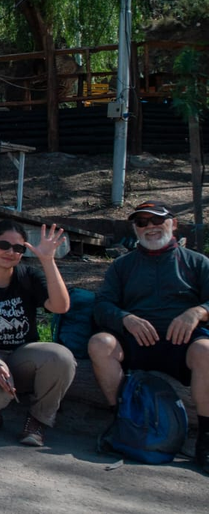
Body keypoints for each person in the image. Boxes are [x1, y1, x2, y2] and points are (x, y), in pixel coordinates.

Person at [87, 201, 209, 472]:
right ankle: (121, 422)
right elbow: (102, 306)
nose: (150, 227)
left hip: (183, 344)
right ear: (135, 228)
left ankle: (205, 439)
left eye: (156, 220)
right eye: (141, 223)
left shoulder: (197, 262)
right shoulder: (122, 266)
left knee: (207, 351)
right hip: (137, 341)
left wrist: (198, 311)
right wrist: (125, 318)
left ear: (173, 223)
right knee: (100, 343)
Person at [0, 221, 75, 447]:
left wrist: (48, 261)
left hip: (19, 353)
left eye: (18, 248)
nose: (10, 252)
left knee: (62, 358)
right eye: (3, 245)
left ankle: (37, 420)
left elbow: (60, 307)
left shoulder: (28, 276)